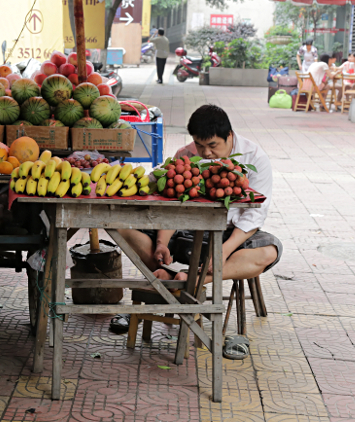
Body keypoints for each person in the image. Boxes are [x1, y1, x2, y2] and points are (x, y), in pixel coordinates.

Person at [110, 105, 282, 358]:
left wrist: (223, 251)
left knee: (269, 250)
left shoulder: (255, 158)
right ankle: (170, 272)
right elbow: (171, 208)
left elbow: (254, 216)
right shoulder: (185, 156)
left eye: (213, 145)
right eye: (200, 146)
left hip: (230, 236)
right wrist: (161, 243)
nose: (206, 152)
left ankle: (184, 279)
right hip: (188, 234)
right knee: (119, 224)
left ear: (229, 135)